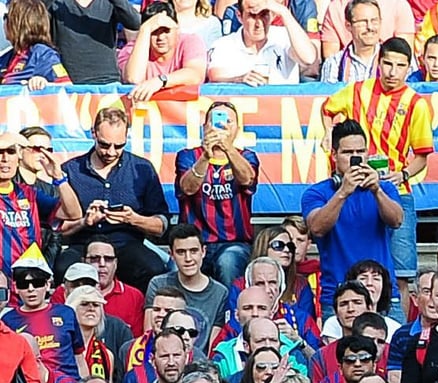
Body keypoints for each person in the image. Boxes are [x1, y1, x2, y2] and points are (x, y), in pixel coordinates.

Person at [323, 38, 433, 318]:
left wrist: (403, 174)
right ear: (378, 63)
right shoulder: (357, 91)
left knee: (403, 272)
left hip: (396, 191)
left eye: (400, 66)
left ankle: (399, 330)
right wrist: (327, 133)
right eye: (387, 64)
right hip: (353, 187)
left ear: (409, 68)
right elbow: (327, 109)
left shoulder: (416, 104)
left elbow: (421, 155)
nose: (392, 72)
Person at [59, 108, 169, 290]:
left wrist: (133, 219)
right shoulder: (71, 170)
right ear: (93, 134)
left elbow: (161, 226)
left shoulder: (142, 168)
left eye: (119, 146)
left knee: (153, 269)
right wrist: (84, 222)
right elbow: (58, 228)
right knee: (63, 268)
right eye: (104, 145)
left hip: (127, 243)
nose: (111, 152)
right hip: (83, 244)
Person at [302, 121, 402, 316]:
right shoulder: (316, 193)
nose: (355, 157)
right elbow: (316, 228)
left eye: (361, 151)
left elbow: (397, 220)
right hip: (339, 296)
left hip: (383, 296)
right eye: (348, 153)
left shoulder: (385, 188)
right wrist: (343, 192)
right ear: (334, 155)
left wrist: (377, 190)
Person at [174, 102, 259, 290]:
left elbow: (247, 179)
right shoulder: (188, 156)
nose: (223, 126)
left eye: (229, 121)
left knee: (227, 263)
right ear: (205, 127)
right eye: (217, 121)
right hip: (193, 242)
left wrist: (228, 149)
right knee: (174, 267)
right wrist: (205, 156)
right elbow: (187, 188)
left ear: (237, 128)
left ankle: (230, 318)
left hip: (234, 242)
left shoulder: (247, 157)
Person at [0, 130, 79, 276]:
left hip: (28, 282)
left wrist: (59, 177)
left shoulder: (29, 193)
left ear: (18, 157)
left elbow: (74, 213)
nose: (4, 158)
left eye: (10, 152)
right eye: (0, 152)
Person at [145, 225, 230, 348]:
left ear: (203, 251)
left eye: (193, 251)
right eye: (181, 252)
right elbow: (148, 335)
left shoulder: (220, 292)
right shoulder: (158, 284)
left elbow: (214, 347)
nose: (188, 258)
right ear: (171, 255)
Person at [3, 254, 85, 379]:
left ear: (47, 284)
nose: (31, 289)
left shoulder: (66, 313)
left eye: (37, 283)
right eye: (24, 284)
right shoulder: (7, 320)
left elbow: (79, 357)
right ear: (16, 288)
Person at [207, 0, 319, 84]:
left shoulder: (284, 37)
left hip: (282, 111)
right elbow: (215, 77)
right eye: (252, 16)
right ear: (239, 16)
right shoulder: (224, 45)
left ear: (272, 15)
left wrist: (284, 12)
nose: (258, 23)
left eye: (264, 15)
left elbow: (309, 59)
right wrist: (238, 80)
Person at [117, 0, 206, 102]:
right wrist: (145, 29)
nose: (161, 37)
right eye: (154, 32)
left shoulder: (190, 41)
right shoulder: (131, 49)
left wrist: (160, 81)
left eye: (166, 31)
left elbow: (195, 75)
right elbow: (133, 79)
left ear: (177, 29)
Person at [45, 0, 141, 83]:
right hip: (66, 80)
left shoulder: (108, 3)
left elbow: (135, 23)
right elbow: (35, 20)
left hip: (106, 79)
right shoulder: (57, 4)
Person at [1, 0, 70, 88]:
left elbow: (66, 87)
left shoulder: (43, 54)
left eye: (6, 17)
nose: (4, 22)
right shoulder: (6, 58)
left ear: (19, 23)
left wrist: (42, 82)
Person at [320, 0, 383, 82]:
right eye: (363, 22)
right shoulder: (335, 64)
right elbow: (329, 94)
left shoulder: (394, 61)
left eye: (374, 21)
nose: (370, 27)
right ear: (348, 26)